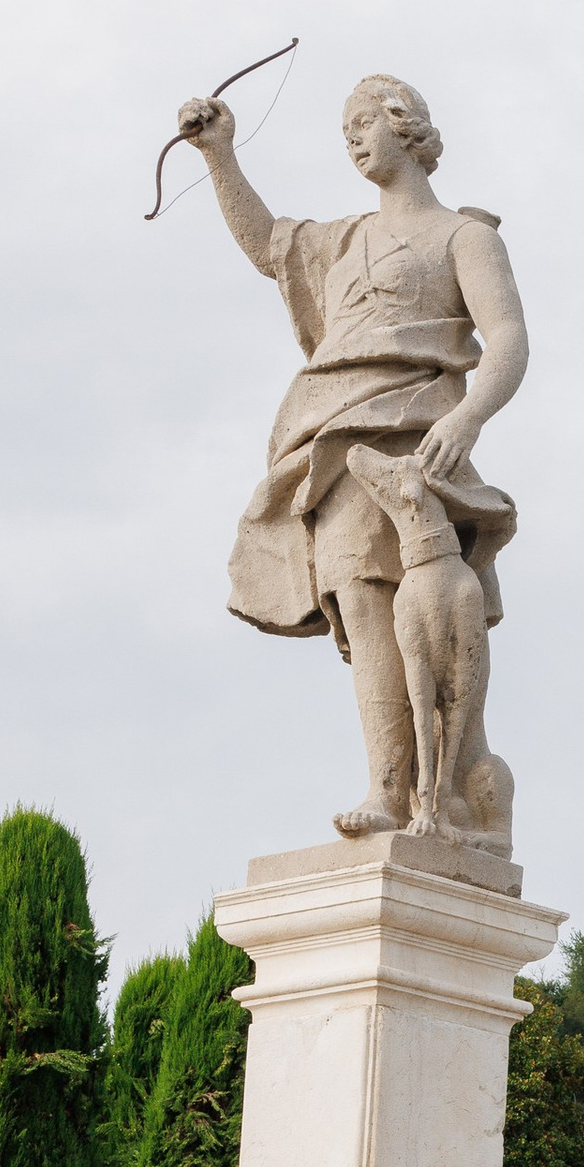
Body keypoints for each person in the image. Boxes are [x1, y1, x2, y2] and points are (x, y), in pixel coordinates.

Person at [186, 70, 525, 844]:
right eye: (345, 130)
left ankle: (446, 792)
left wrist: (470, 416)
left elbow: (507, 341)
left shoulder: (464, 238)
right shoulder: (341, 240)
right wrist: (220, 156)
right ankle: (386, 788)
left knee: (434, 628)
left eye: (363, 122)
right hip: (335, 442)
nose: (352, 139)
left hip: (419, 445)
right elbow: (268, 246)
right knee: (363, 604)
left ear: (405, 126)